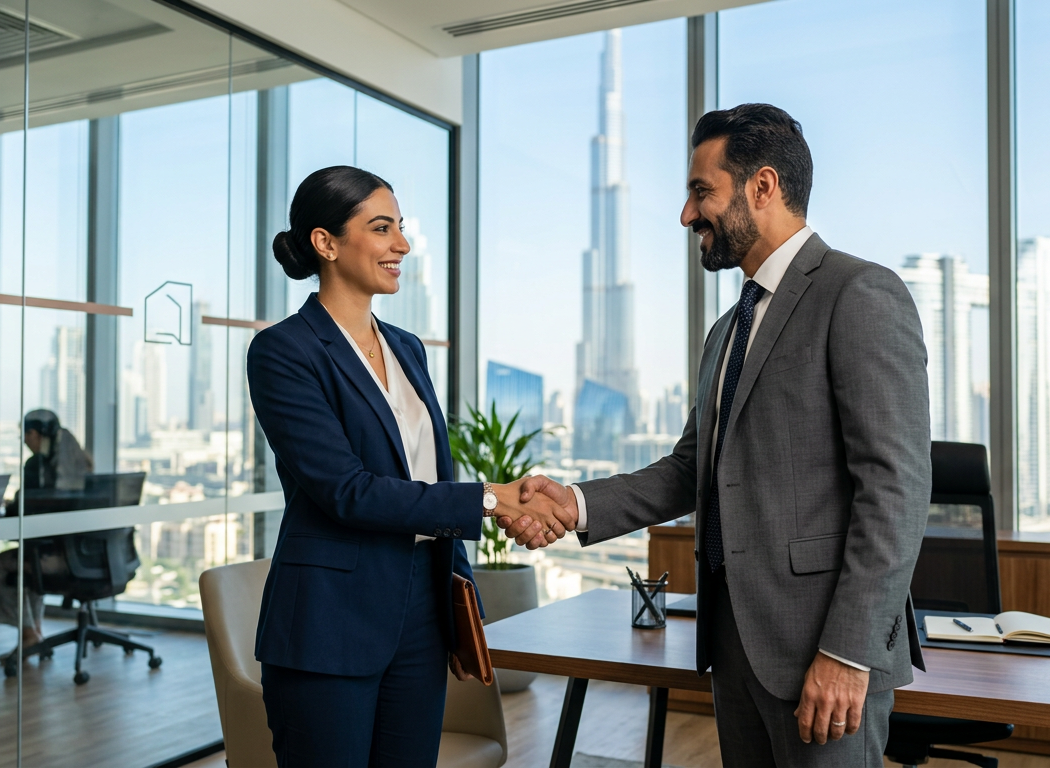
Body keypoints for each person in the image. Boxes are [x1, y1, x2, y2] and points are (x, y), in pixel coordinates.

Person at [518, 104, 931, 767]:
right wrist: (574, 503)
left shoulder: (858, 293)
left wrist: (848, 653)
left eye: (700, 191)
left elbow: (896, 491)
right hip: (736, 645)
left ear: (762, 186)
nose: (687, 215)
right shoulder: (728, 330)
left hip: (824, 652)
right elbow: (692, 469)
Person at [246, 166, 572, 766]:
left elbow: (432, 479)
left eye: (400, 227)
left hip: (422, 614)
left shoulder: (407, 347)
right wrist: (490, 498)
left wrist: (461, 601)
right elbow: (347, 491)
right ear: (325, 242)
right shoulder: (283, 351)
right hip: (330, 621)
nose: (402, 244)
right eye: (381, 228)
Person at [0, 409, 93, 659]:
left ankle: (30, 634)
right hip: (89, 557)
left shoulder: (36, 466)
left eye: (25, 436)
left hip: (59, 560)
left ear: (34, 434)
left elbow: (23, 509)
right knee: (29, 559)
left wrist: (9, 507)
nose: (25, 442)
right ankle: (34, 634)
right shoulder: (82, 462)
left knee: (3, 563)